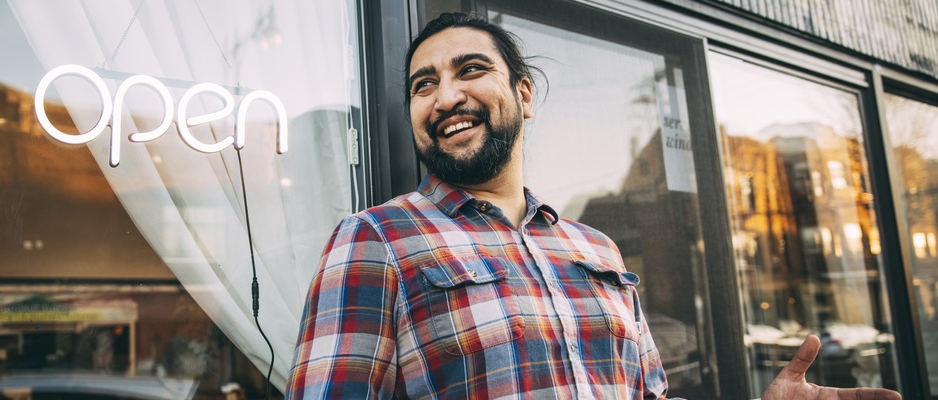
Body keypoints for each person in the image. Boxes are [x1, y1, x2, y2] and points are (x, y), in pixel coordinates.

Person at [286, 12, 902, 400]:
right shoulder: (376, 240)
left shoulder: (593, 248)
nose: (446, 97)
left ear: (523, 94)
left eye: (471, 70)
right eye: (424, 85)